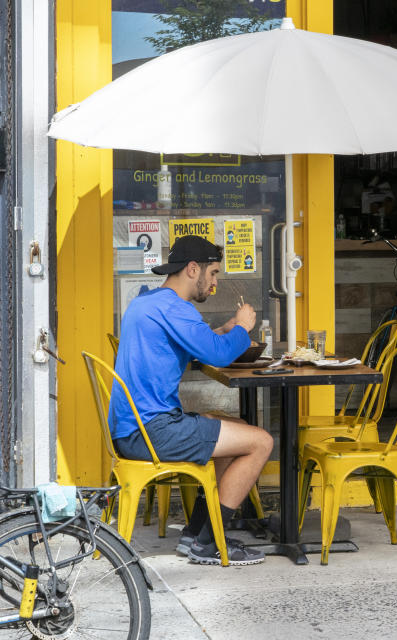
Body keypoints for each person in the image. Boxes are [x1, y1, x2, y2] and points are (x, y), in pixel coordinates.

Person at [109, 235, 274, 566]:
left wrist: (224, 328)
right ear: (193, 268)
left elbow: (194, 342)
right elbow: (217, 354)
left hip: (132, 428)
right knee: (261, 442)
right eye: (212, 274)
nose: (213, 284)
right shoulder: (175, 308)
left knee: (236, 428)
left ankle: (194, 533)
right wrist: (241, 328)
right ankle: (210, 542)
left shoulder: (148, 302)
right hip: (152, 431)